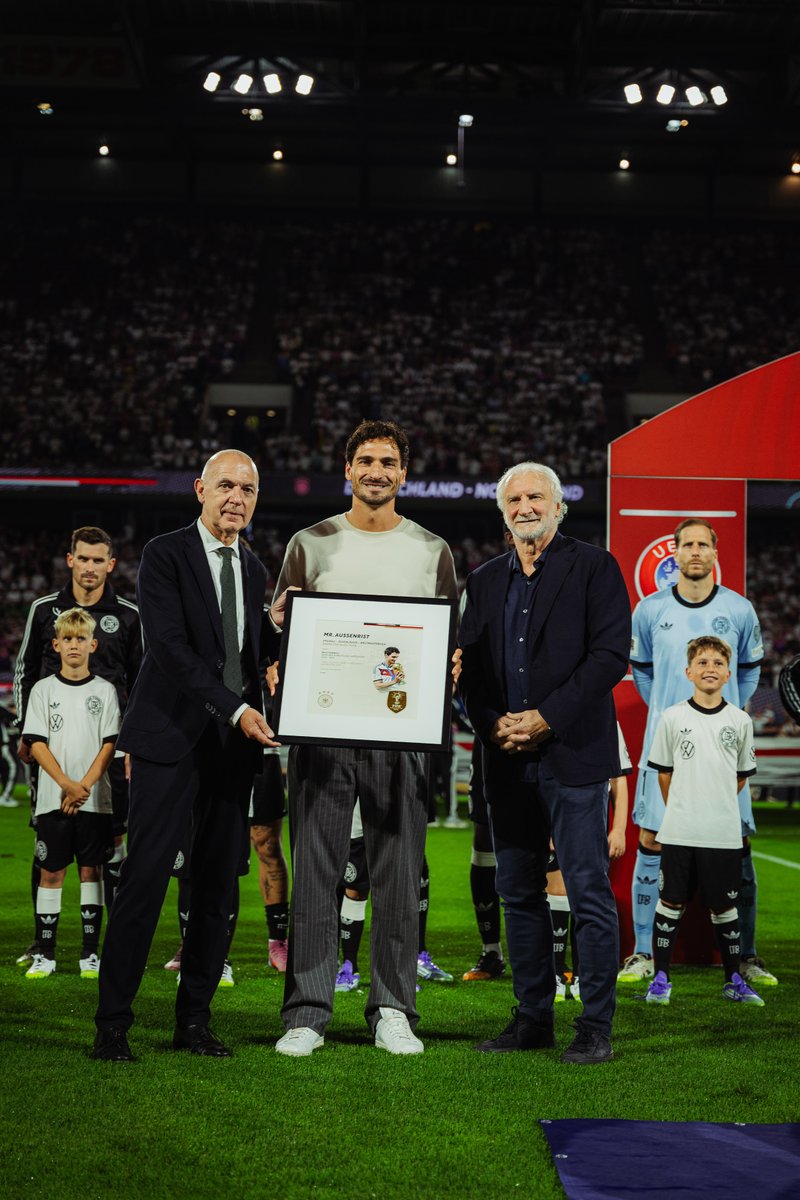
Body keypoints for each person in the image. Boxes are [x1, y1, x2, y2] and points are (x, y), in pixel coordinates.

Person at [269, 419, 458, 1056]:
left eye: (389, 462)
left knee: (399, 874)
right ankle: (307, 1012)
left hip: (400, 734)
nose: (377, 471)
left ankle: (393, 1010)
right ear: (347, 469)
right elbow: (281, 630)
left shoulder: (432, 549)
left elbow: (446, 643)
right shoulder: (310, 542)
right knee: (317, 869)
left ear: (404, 473)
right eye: (366, 460)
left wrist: (449, 664)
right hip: (322, 731)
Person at [91, 449, 275, 1062]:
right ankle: (112, 1024)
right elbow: (168, 649)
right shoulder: (165, 554)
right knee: (143, 880)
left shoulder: (252, 569)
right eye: (225, 485)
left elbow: (253, 654)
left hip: (231, 753)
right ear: (200, 489)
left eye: (247, 490)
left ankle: (193, 1022)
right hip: (171, 744)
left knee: (218, 891)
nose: (235, 499)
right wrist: (237, 707)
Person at [459, 461, 630, 1065]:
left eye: (536, 496)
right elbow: (468, 675)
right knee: (517, 891)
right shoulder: (481, 582)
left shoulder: (595, 567)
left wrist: (545, 717)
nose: (525, 505)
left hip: (575, 755)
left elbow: (610, 656)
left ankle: (595, 1026)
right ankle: (533, 1017)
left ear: (558, 507)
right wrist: (493, 725)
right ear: (502, 511)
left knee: (586, 891)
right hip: (505, 760)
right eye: (514, 498)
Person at [621, 518, 774, 988]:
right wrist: (674, 721)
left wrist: (721, 716)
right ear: (675, 553)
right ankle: (643, 954)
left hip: (722, 751)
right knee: (651, 842)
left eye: (702, 544)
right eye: (686, 544)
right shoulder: (648, 610)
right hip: (664, 749)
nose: (694, 552)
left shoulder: (739, 610)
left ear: (714, 551)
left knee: (738, 847)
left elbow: (747, 675)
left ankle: (746, 956)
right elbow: (644, 675)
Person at [13, 526, 141, 964]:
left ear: (111, 564)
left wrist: (135, 745)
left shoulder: (127, 616)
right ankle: (41, 942)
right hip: (52, 748)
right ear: (70, 560)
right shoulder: (44, 609)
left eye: (97, 560)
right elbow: (24, 672)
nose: (89, 567)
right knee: (47, 839)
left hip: (109, 752)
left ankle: (105, 945)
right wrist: (24, 729)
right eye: (82, 558)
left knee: (109, 845)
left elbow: (139, 683)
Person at [643, 637, 764, 1008]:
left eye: (717, 663)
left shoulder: (740, 720)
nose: (709, 668)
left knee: (725, 908)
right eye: (702, 662)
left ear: (728, 673)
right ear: (689, 672)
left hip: (723, 833)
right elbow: (664, 774)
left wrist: (715, 803)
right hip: (680, 831)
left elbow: (740, 776)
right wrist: (684, 806)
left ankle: (732, 980)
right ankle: (661, 979)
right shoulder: (673, 717)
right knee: (669, 902)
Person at [21, 608, 120, 979]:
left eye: (81, 639)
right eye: (67, 639)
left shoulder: (105, 691)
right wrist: (66, 784)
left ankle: (89, 953)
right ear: (56, 645)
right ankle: (45, 953)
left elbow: (109, 745)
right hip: (53, 797)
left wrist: (84, 786)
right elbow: (37, 743)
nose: (74, 645)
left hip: (95, 798)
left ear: (93, 645)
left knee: (90, 871)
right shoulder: (43, 690)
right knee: (51, 872)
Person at [550, 725, 631, 1003]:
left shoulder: (607, 720)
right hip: (555, 817)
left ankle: (585, 975)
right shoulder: (547, 711)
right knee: (556, 893)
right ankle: (557, 973)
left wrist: (618, 829)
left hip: (591, 822)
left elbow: (619, 778)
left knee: (587, 897)